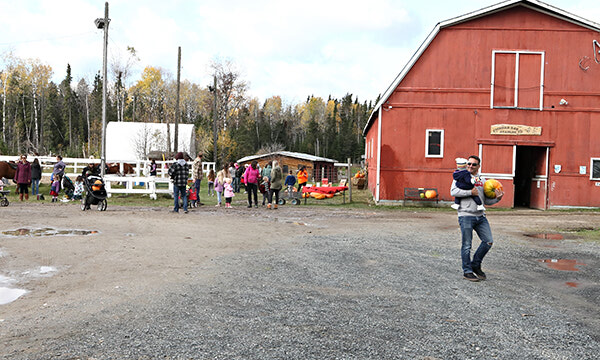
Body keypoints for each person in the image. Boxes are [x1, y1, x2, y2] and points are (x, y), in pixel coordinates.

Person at [450, 155, 504, 282]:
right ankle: (467, 271)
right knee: (467, 245)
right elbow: (453, 192)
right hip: (466, 215)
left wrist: (497, 198)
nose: (470, 166)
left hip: (480, 216)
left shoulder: (483, 180)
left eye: (474, 164)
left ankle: (475, 264)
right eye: (469, 163)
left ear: (478, 166)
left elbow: (485, 201)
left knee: (488, 241)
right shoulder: (461, 176)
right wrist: (470, 193)